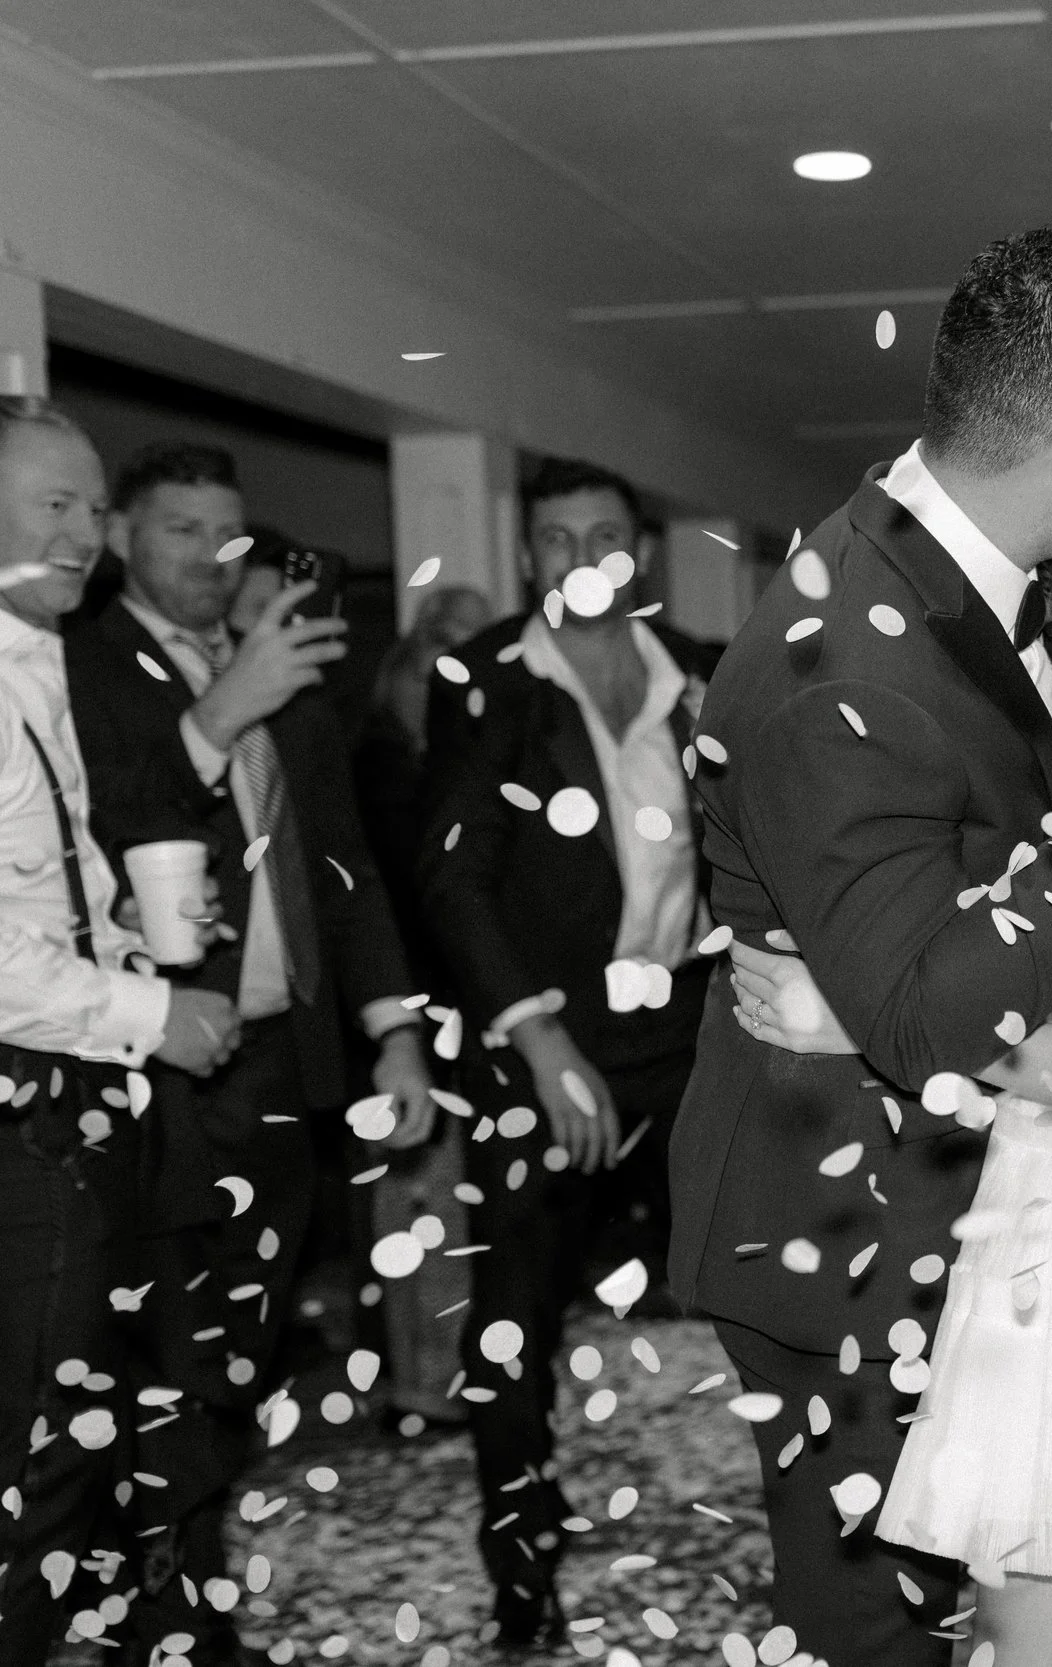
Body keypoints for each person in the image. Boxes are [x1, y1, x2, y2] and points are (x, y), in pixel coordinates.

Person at [665, 228, 1052, 1666]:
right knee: (886, 1632)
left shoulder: (978, 574)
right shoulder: (846, 658)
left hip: (975, 1192)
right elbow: (916, 1013)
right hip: (842, 1233)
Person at [64, 441, 434, 1664]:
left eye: (229, 535)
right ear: (121, 534)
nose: (211, 560)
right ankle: (164, 1615)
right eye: (180, 530)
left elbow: (345, 866)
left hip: (288, 1067)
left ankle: (178, 1588)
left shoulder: (284, 673)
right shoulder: (75, 666)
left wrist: (395, 1030)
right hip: (157, 1070)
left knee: (238, 1353)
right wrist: (225, 706)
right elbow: (113, 817)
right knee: (156, 1361)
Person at [415, 458, 719, 1647]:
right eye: (556, 538)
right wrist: (539, 1041)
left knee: (756, 1278)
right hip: (551, 1034)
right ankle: (523, 1573)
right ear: (529, 554)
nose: (581, 555)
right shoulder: (488, 680)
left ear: (634, 549)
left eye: (603, 533)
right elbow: (452, 875)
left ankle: (805, 1521)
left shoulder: (693, 667)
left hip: (692, 1030)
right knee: (514, 1323)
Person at [0, 398, 241, 1661]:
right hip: (25, 1108)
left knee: (81, 1439)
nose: (86, 532)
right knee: (42, 1454)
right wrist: (155, 1007)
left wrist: (142, 946)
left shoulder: (34, 655)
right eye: (57, 502)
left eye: (94, 506)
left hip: (78, 1100)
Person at [354, 584, 491, 1424]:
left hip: (429, 996)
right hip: (406, 998)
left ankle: (428, 1378)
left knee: (432, 1196)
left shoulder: (420, 753)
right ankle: (420, 1384)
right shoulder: (386, 764)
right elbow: (407, 894)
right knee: (418, 1195)